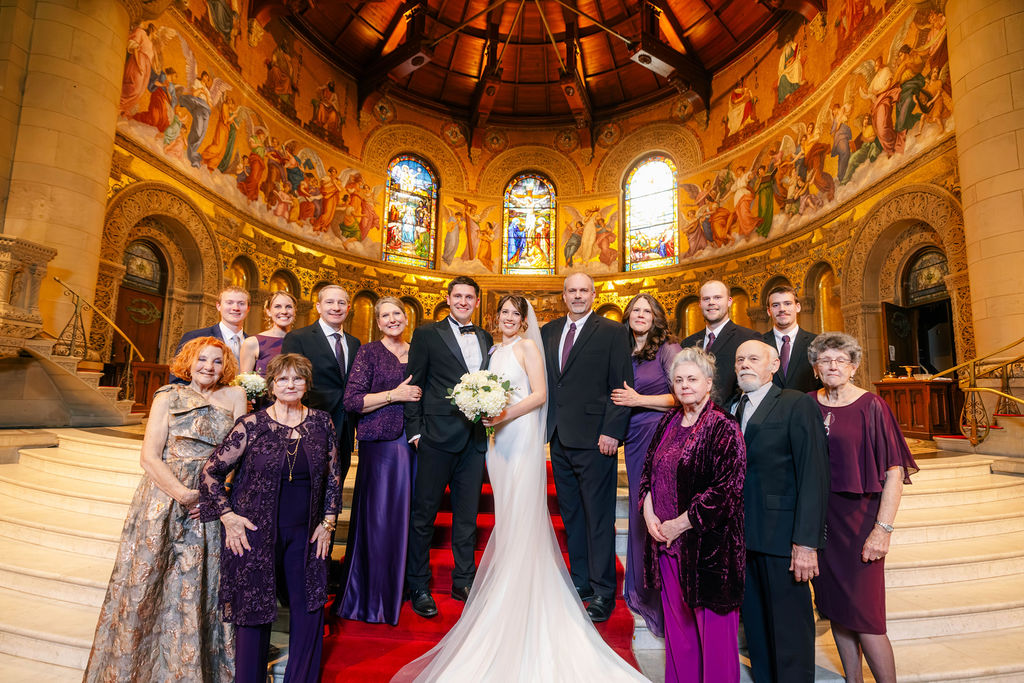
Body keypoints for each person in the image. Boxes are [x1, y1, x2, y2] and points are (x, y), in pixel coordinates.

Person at [392, 296, 647, 682]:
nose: (509, 318)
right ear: (496, 317)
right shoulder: (493, 350)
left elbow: (540, 395)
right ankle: (504, 577)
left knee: (522, 506)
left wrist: (502, 414)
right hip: (496, 441)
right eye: (504, 313)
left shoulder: (528, 347)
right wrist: (483, 411)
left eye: (516, 313)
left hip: (519, 433)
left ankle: (522, 583)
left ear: (524, 320)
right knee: (506, 511)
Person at [84, 337, 246, 682]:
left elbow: (240, 453)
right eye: (202, 359)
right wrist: (185, 495)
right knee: (152, 583)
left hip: (212, 501)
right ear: (189, 362)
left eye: (217, 361)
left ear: (226, 367)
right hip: (165, 498)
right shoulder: (167, 396)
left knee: (203, 584)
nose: (209, 367)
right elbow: (149, 457)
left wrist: (215, 495)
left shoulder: (235, 396)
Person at [200, 353, 341, 683]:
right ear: (271, 385)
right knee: (253, 615)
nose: (290, 385)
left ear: (306, 384)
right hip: (254, 534)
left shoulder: (322, 423)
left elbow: (334, 477)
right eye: (283, 379)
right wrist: (228, 516)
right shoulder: (252, 425)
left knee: (309, 609)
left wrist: (328, 521)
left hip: (307, 533)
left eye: (297, 378)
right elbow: (210, 473)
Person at [809, 332, 918, 683]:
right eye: (825, 360)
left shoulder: (872, 405)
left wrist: (882, 530)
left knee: (867, 617)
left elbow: (894, 472)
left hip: (860, 522)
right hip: (821, 522)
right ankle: (852, 680)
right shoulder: (807, 404)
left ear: (854, 367)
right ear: (815, 368)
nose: (833, 366)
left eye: (841, 360)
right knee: (837, 608)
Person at [638, 347, 746, 683]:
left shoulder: (723, 426)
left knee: (715, 642)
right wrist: (649, 514)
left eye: (692, 379)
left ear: (708, 383)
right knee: (680, 637)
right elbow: (648, 473)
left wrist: (680, 524)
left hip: (709, 552)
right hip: (667, 546)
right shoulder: (669, 421)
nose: (685, 385)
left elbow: (727, 490)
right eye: (679, 380)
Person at [732, 339, 830, 683]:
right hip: (744, 537)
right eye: (739, 360)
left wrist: (806, 542)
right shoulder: (733, 407)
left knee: (790, 630)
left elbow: (814, 475)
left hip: (783, 537)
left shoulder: (795, 403)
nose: (745, 364)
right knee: (756, 628)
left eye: (753, 358)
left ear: (774, 365)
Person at [541, 272, 634, 622]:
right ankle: (580, 581)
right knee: (573, 516)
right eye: (572, 291)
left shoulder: (612, 332)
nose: (578, 295)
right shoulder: (549, 331)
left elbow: (620, 385)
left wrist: (612, 431)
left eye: (584, 290)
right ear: (563, 295)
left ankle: (603, 591)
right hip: (559, 437)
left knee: (598, 518)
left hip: (597, 440)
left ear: (594, 294)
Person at [404, 275, 493, 618]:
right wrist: (415, 432)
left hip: (474, 440)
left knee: (467, 517)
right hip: (435, 437)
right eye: (458, 296)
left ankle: (463, 581)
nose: (463, 302)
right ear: (448, 298)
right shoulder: (427, 333)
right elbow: (415, 383)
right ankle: (419, 585)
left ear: (476, 301)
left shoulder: (485, 337)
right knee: (423, 516)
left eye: (469, 297)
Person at [335, 297, 422, 625]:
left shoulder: (419, 351)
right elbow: (352, 401)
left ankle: (403, 586)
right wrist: (393, 395)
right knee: (380, 518)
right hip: (381, 446)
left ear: (407, 317)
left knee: (408, 516)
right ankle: (373, 593)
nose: (392, 319)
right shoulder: (368, 352)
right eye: (385, 315)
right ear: (378, 322)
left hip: (415, 444)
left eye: (397, 313)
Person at [610, 293, 681, 636]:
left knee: (661, 508)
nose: (641, 315)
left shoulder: (669, 349)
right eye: (635, 310)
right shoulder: (621, 349)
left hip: (662, 433)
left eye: (647, 311)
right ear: (627, 316)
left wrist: (639, 399)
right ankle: (640, 587)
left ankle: (662, 595)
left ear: (656, 317)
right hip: (634, 438)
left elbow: (682, 394)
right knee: (641, 511)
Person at [281, 284, 360, 484]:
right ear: (318, 306)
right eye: (330, 302)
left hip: (345, 428)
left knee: (336, 486)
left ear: (348, 308)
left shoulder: (354, 343)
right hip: (309, 425)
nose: (336, 307)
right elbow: (290, 383)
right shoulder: (298, 338)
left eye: (341, 303)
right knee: (306, 485)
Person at [681, 280, 759, 405]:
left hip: (731, 413)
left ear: (729, 301)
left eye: (717, 297)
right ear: (700, 304)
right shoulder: (687, 344)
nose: (711, 302)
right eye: (706, 299)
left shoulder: (748, 338)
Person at [173, 286, 251, 382]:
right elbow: (178, 379)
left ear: (248, 308)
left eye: (241, 303)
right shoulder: (195, 337)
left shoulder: (255, 343)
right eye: (229, 303)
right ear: (218, 306)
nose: (235, 308)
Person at [762, 285, 819, 393]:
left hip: (805, 403)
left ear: (798, 307)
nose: (782, 309)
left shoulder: (817, 343)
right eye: (775, 305)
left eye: (787, 303)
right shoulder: (759, 343)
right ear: (769, 311)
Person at [240, 290, 296, 376]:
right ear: (268, 311)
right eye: (277, 306)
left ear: (295, 311)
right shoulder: (252, 343)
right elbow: (244, 381)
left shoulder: (302, 341)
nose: (284, 311)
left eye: (289, 307)